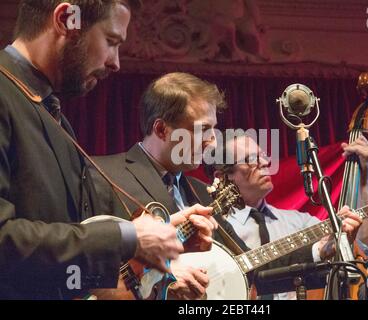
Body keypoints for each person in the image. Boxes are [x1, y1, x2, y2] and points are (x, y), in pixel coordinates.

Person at [0, 1, 215, 299]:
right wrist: (128, 237)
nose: (116, 62)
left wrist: (162, 239)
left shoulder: (54, 116)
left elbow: (62, 258)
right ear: (66, 20)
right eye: (111, 41)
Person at [90, 72, 248, 300]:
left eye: (213, 129)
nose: (213, 140)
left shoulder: (201, 192)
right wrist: (158, 278)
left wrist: (315, 250)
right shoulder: (101, 173)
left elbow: (246, 257)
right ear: (161, 129)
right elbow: (78, 259)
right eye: (202, 129)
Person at [206, 132, 368, 299]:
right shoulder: (214, 232)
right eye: (251, 159)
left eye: (263, 155)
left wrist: (365, 178)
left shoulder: (299, 222)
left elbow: (363, 248)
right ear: (223, 176)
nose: (266, 162)